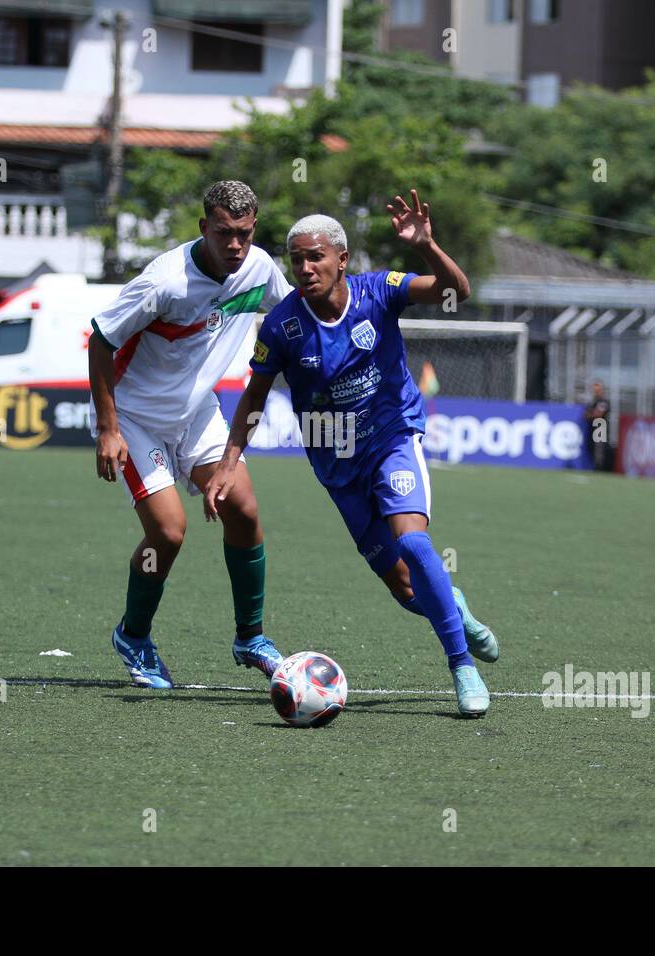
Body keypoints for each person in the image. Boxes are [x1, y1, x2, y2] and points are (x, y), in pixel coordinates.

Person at [206, 191, 500, 717]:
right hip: (336, 465)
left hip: (393, 437)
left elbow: (456, 291)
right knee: (409, 592)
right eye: (296, 258)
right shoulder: (282, 327)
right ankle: (453, 605)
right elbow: (252, 398)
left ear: (342, 259)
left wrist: (428, 246)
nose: (305, 267)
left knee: (413, 543)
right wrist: (228, 463)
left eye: (315, 256)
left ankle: (461, 665)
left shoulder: (380, 291)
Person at [88, 181, 294, 687]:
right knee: (169, 531)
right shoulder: (164, 282)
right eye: (224, 233)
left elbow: (294, 320)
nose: (235, 246)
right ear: (204, 227)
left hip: (197, 413)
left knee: (243, 509)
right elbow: (100, 341)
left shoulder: (260, 267)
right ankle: (133, 635)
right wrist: (109, 428)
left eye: (245, 234)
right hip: (136, 418)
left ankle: (250, 637)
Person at [583, 380, 611, 471]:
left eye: (598, 389)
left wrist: (590, 414)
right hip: (593, 428)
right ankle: (595, 467)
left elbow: (598, 414)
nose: (596, 391)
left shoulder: (603, 401)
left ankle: (600, 469)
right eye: (595, 389)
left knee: (599, 450)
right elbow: (586, 414)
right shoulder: (593, 401)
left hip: (600, 428)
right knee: (592, 448)